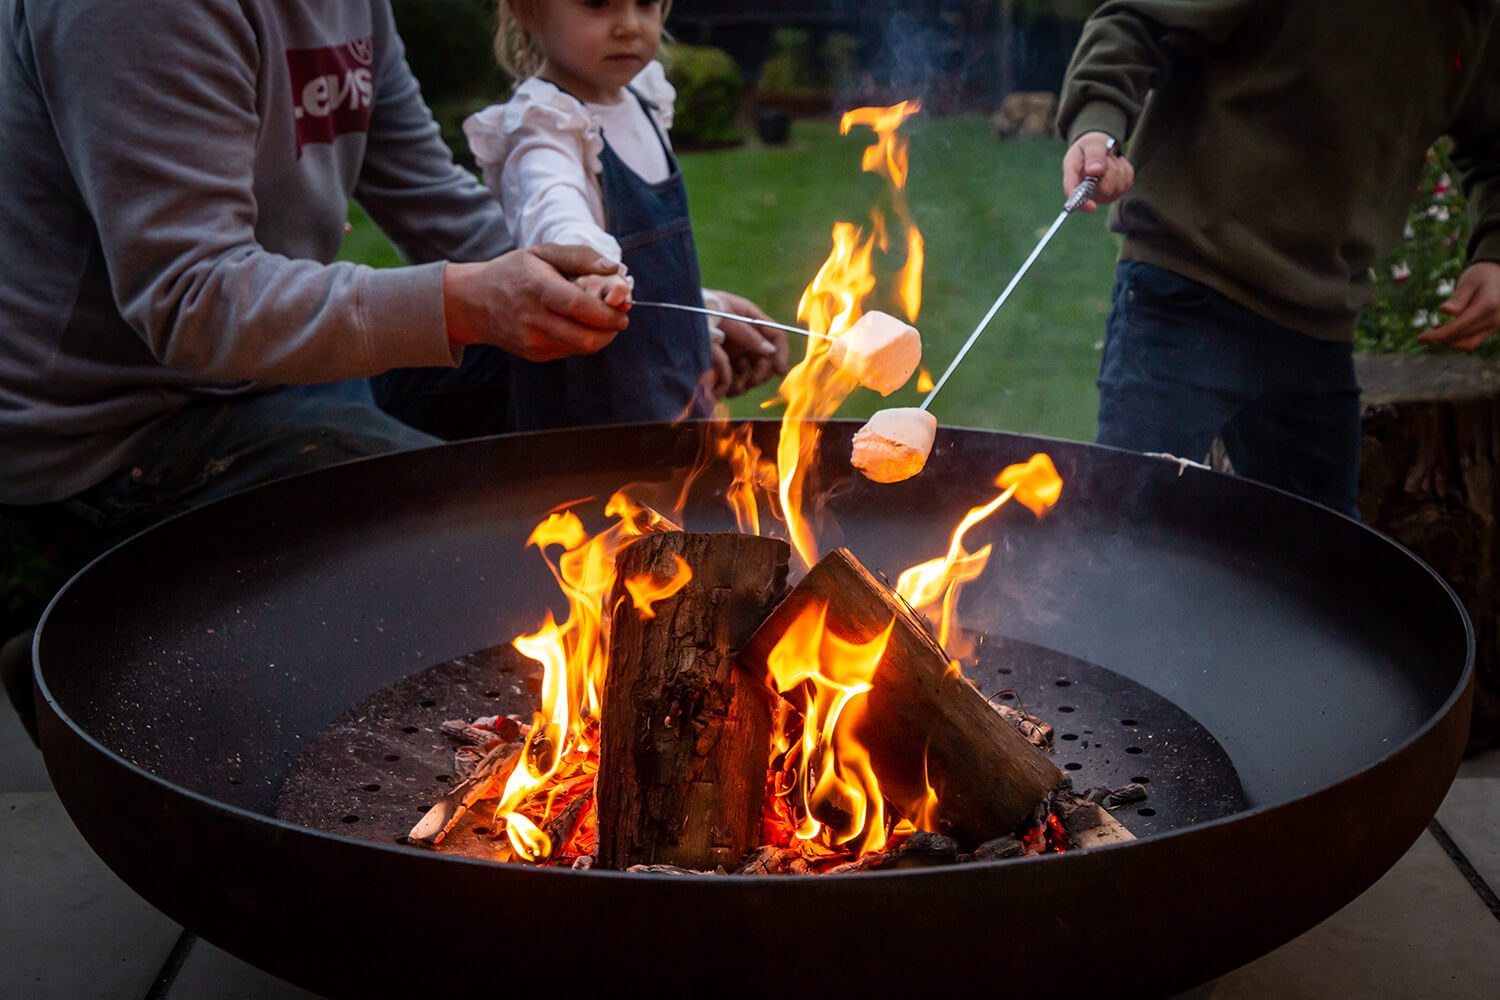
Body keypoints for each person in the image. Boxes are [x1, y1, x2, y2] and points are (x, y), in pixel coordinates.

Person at [1056, 0, 1500, 518]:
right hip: (1186, 288)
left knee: (1322, 567)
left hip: (1319, 329)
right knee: (1123, 535)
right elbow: (1135, 20)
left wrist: (1493, 255)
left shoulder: (1474, 14)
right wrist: (1098, 126)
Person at [462, 0, 789, 431]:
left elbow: (651, 276)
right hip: (588, 441)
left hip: (674, 423)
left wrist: (701, 317)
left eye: (646, 4)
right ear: (527, 10)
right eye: (598, 4)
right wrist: (587, 269)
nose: (629, 26)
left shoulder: (643, 103)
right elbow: (554, 209)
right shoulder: (545, 124)